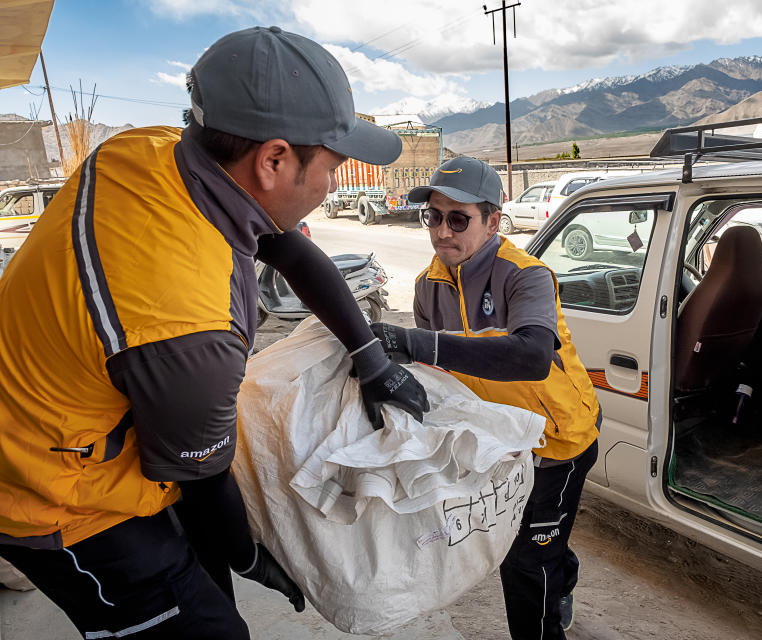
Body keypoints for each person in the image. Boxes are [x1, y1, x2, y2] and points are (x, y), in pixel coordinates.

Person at [0, 26, 428, 639]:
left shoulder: (142, 152)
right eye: (333, 166)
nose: (334, 183)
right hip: (54, 494)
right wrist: (250, 555)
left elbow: (290, 251)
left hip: (83, 416)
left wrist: (370, 357)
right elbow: (202, 479)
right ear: (273, 160)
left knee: (209, 589)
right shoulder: (190, 330)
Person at [370, 156, 601, 639]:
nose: (441, 232)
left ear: (493, 221)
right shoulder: (427, 285)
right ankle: (561, 570)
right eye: (433, 216)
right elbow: (441, 375)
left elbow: (531, 357)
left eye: (459, 219)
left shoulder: (526, 275)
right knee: (537, 544)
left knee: (524, 564)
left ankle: (552, 589)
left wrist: (413, 342)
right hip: (500, 441)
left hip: (557, 440)